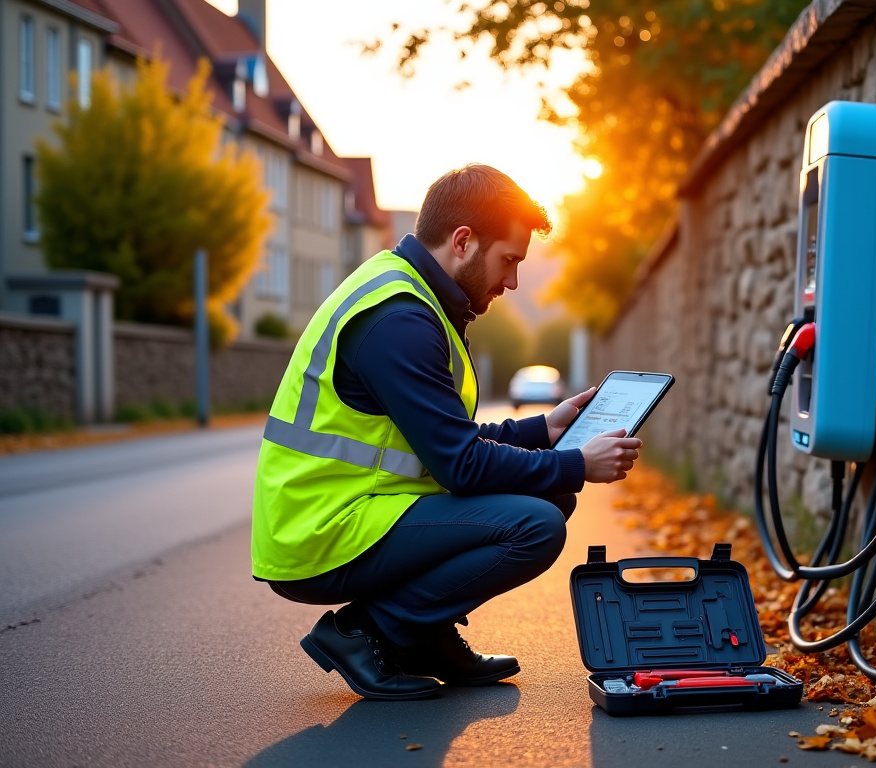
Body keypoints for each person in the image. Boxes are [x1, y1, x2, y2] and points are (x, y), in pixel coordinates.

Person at [252, 164, 643, 700]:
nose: (512, 282)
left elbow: (442, 440)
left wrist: (544, 430)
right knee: (536, 524)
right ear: (463, 241)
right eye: (509, 260)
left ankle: (422, 634)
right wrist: (578, 463)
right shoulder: (399, 321)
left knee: (550, 494)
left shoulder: (413, 298)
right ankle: (366, 631)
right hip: (323, 529)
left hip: (366, 509)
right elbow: (461, 466)